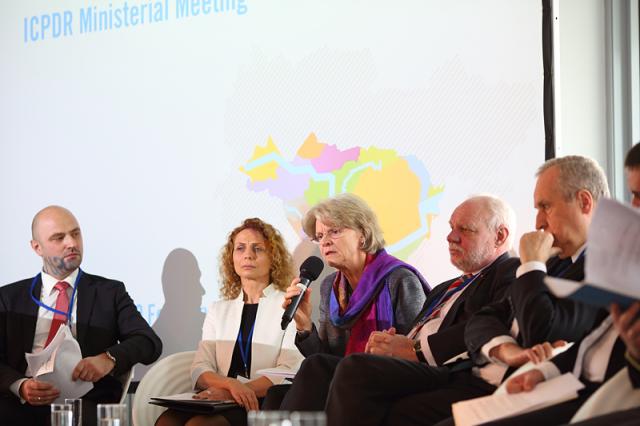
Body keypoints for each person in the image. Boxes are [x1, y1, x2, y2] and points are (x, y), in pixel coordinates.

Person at [327, 155, 611, 425]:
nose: (538, 222)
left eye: (545, 206)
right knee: (340, 380)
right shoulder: (554, 263)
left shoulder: (598, 267)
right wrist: (505, 347)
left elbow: (541, 329)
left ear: (584, 202)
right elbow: (484, 320)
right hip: (501, 371)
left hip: (535, 387)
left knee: (361, 378)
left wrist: (532, 264)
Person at [324, 195, 520, 425]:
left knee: (355, 370)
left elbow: (483, 326)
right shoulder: (444, 289)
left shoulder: (510, 271)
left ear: (500, 236)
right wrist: (392, 344)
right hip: (418, 369)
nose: (450, 237)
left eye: (464, 229)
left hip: (452, 372)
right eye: (451, 227)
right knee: (316, 367)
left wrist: (416, 350)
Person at [264, 193, 430, 411]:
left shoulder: (399, 279)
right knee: (275, 395)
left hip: (388, 379)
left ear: (362, 233)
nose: (325, 241)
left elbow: (416, 351)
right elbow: (323, 358)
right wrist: (304, 327)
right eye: (320, 236)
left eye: (335, 231)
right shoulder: (330, 286)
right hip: (347, 378)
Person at [0, 206, 162, 426]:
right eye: (59, 238)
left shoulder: (109, 292)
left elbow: (148, 342)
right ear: (37, 247)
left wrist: (108, 359)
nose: (72, 243)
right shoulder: (9, 298)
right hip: (19, 402)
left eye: (76, 233)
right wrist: (20, 385)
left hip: (84, 402)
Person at [155, 218, 304, 426]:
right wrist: (229, 386)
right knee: (166, 421)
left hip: (261, 402)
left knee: (199, 425)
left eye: (257, 249)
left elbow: (288, 369)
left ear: (274, 257)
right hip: (220, 397)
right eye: (240, 248)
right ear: (232, 258)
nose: (248, 255)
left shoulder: (289, 304)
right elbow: (200, 367)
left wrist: (238, 392)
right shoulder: (218, 310)